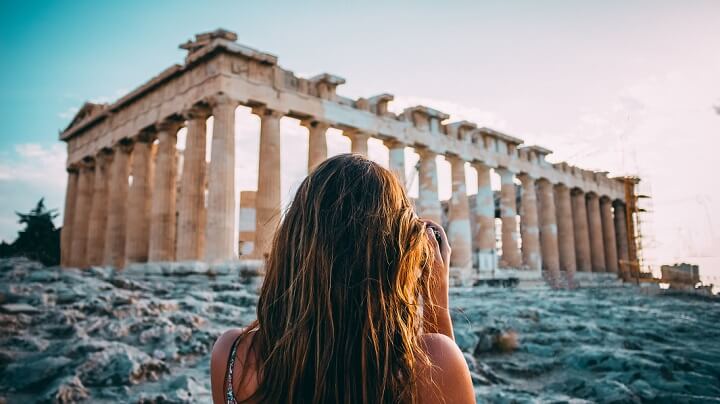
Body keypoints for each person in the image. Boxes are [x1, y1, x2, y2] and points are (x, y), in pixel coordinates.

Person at [210, 154, 475, 403]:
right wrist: (435, 298)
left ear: (292, 240)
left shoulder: (232, 354)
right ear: (396, 253)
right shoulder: (432, 360)